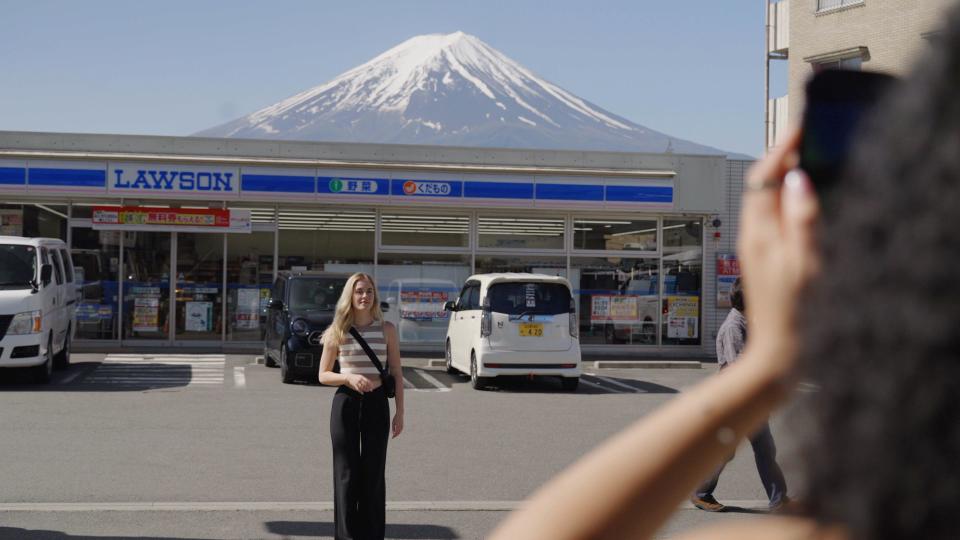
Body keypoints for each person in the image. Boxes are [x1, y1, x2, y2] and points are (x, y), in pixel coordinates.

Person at [490, 6, 960, 539]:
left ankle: (739, 493)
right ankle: (741, 491)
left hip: (749, 403)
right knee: (751, 450)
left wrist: (768, 369)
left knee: (748, 450)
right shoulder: (734, 327)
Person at [318, 272, 404, 540]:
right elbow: (323, 374)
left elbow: (398, 373)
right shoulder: (338, 330)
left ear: (374, 295)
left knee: (374, 473)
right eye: (359, 291)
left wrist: (400, 412)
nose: (364, 296)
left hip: (377, 404)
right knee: (346, 474)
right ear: (350, 296)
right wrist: (348, 377)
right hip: (346, 404)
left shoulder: (387, 329)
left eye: (368, 291)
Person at [690, 277, 788, 512]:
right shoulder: (734, 327)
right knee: (726, 451)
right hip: (736, 401)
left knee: (765, 449)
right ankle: (701, 492)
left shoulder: (748, 322)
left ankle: (779, 500)